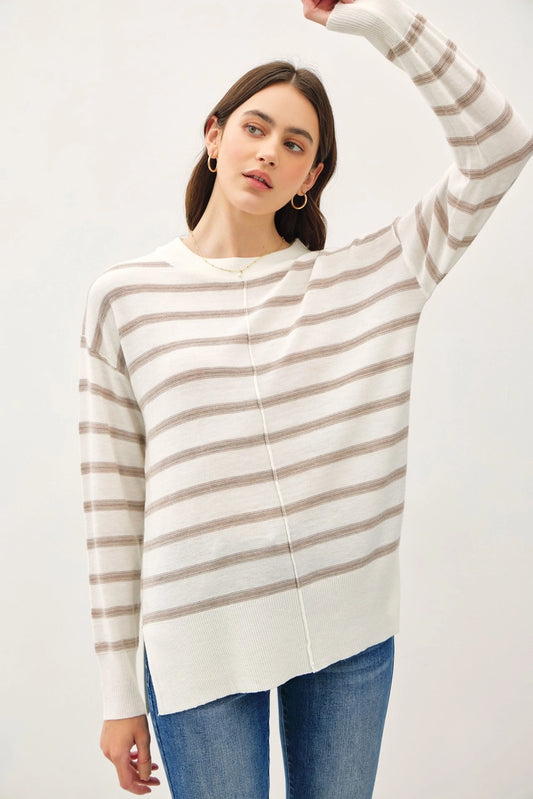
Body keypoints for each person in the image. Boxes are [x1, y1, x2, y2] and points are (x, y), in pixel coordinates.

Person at [78, 0, 532, 796]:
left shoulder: (373, 277)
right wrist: (120, 694)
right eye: (254, 128)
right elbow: (114, 504)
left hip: (347, 631)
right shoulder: (126, 297)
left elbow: (500, 147)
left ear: (310, 176)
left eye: (295, 144)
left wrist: (381, 22)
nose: (268, 151)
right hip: (199, 641)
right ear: (214, 136)